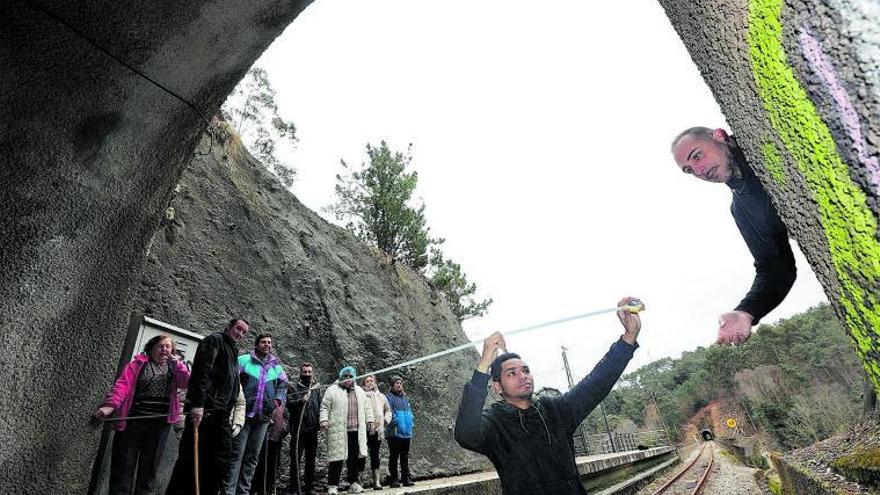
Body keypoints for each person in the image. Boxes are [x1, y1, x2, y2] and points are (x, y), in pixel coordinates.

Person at [454, 297, 642, 495]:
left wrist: (628, 338)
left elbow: (596, 383)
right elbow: (465, 435)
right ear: (497, 386)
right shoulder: (494, 423)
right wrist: (484, 364)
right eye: (512, 373)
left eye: (525, 370)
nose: (522, 376)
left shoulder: (557, 410)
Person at [671, 127, 797, 344]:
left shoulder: (767, 139)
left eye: (697, 156)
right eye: (690, 170)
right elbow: (775, 269)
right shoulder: (743, 208)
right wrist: (746, 312)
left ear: (720, 136)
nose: (699, 171)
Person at [95, 334, 190, 495]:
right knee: (124, 466)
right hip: (133, 422)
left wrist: (178, 366)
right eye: (161, 346)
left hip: (159, 426)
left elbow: (186, 382)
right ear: (152, 348)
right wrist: (109, 407)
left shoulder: (175, 368)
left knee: (149, 469)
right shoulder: (137, 365)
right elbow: (122, 387)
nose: (165, 349)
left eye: (168, 347)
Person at [166, 318, 251, 495]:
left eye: (244, 332)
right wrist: (198, 405)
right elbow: (201, 373)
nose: (240, 334)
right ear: (228, 326)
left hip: (221, 414)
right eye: (238, 329)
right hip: (206, 412)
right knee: (191, 460)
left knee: (218, 462)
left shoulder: (232, 349)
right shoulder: (214, 341)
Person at [225, 333, 288, 495]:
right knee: (236, 455)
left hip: (263, 418)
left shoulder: (276, 366)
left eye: (269, 342)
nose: (267, 345)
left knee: (252, 457)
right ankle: (229, 491)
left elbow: (283, 384)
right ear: (257, 344)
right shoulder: (244, 361)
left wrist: (277, 401)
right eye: (263, 342)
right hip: (243, 416)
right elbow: (231, 380)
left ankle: (243, 491)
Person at [320, 366, 375, 495]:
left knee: (354, 459)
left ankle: (353, 483)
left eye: (351, 376)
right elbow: (324, 406)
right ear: (341, 377)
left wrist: (370, 421)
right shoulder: (332, 390)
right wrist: (324, 420)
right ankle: (333, 485)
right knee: (336, 458)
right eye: (346, 376)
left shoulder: (360, 391)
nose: (348, 379)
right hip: (339, 430)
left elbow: (367, 407)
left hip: (356, 430)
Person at [287, 363, 323, 495]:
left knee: (311, 460)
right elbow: (288, 403)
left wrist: (321, 421)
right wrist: (301, 400)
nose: (307, 374)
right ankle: (294, 488)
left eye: (309, 372)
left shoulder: (316, 388)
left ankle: (309, 488)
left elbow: (319, 405)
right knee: (295, 459)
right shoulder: (293, 387)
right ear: (300, 373)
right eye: (305, 372)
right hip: (298, 429)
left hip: (312, 429)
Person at [250, 399, 288, 495]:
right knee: (260, 463)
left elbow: (287, 417)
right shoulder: (268, 398)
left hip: (276, 438)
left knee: (274, 464)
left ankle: (267, 488)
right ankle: (255, 488)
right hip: (264, 438)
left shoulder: (283, 401)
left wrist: (284, 427)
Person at [362, 374, 392, 490]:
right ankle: (360, 481)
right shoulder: (361, 395)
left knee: (375, 455)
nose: (370, 383)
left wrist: (385, 420)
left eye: (372, 381)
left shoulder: (381, 396)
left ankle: (376, 481)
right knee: (362, 455)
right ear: (364, 384)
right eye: (367, 381)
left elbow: (388, 410)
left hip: (378, 430)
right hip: (365, 430)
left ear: (375, 382)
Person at [384, 375, 414, 488]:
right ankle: (394, 479)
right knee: (394, 456)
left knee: (405, 456)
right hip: (394, 432)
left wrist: (411, 422)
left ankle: (406, 478)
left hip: (406, 432)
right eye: (396, 383)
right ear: (392, 385)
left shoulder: (405, 398)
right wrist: (396, 423)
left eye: (400, 383)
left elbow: (409, 412)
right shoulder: (389, 397)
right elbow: (389, 412)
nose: (399, 385)